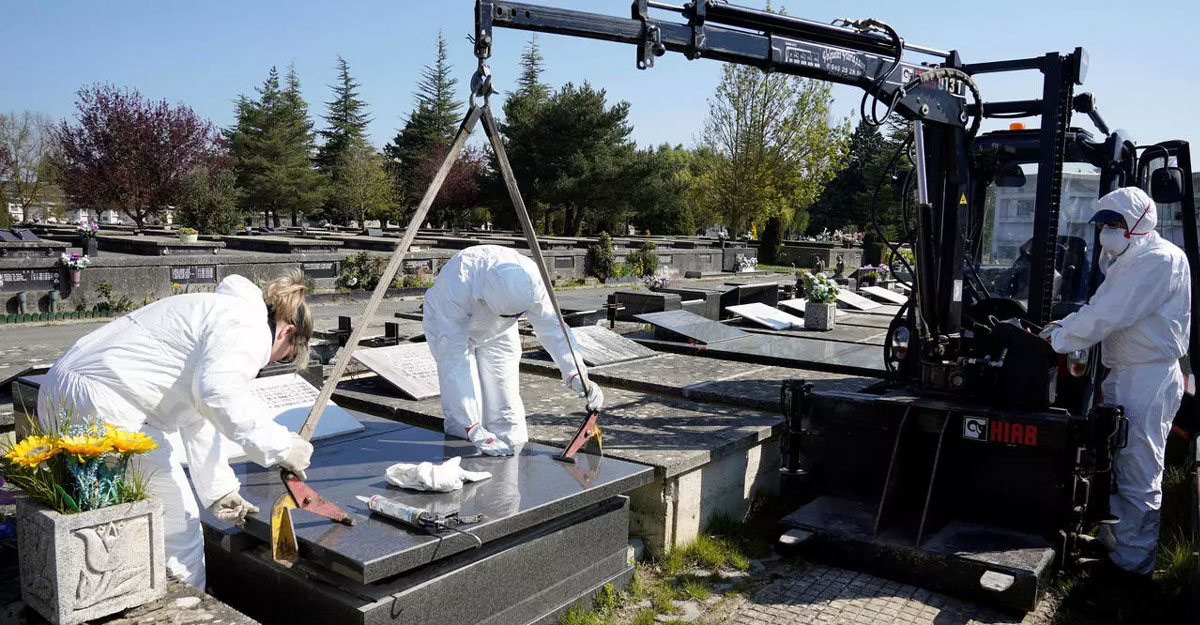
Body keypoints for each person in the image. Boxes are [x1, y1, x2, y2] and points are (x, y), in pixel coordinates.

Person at [36, 271, 316, 588]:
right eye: (283, 358)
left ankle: (119, 595)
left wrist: (219, 490)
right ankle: (184, 607)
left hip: (60, 393)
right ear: (287, 332)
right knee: (178, 528)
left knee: (112, 514)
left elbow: (198, 415)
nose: (269, 363)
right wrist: (282, 446)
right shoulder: (249, 327)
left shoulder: (220, 310)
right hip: (108, 407)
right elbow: (217, 396)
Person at [1043, 187, 1191, 577]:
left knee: (1140, 469)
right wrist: (1062, 325)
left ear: (1139, 223)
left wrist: (1059, 338)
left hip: (1148, 376)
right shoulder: (1128, 260)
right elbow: (1098, 307)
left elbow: (1109, 313)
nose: (1106, 231)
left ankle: (1133, 568)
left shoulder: (1159, 260)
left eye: (1115, 223)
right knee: (1118, 463)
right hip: (1126, 372)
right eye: (1104, 224)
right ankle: (1117, 544)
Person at [423, 245, 605, 456]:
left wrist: (577, 374)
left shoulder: (531, 277)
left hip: (501, 331)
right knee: (465, 416)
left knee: (506, 407)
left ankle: (511, 463)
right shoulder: (457, 282)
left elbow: (552, 326)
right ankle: (464, 457)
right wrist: (471, 426)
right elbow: (454, 360)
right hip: (449, 328)